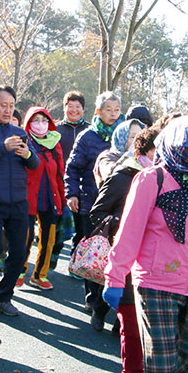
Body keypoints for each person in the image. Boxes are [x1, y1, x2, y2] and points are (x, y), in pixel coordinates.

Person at [103, 116, 188, 372]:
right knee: (161, 364)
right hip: (156, 283)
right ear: (176, 145)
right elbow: (129, 232)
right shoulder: (152, 179)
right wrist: (115, 277)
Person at [90, 127, 159, 373]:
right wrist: (130, 225)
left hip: (155, 268)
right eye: (156, 151)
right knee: (131, 334)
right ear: (146, 150)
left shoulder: (166, 181)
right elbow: (97, 213)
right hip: (125, 264)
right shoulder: (124, 175)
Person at [64, 91, 124, 327]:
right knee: (93, 249)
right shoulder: (88, 137)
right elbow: (73, 168)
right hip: (91, 203)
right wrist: (72, 193)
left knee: (113, 252)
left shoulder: (124, 136)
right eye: (108, 109)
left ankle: (104, 300)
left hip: (119, 205)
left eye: (117, 109)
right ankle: (92, 296)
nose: (113, 114)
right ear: (98, 112)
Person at [0, 85, 39, 317]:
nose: (7, 110)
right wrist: (1, 148)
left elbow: (35, 164)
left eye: (11, 106)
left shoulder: (21, 133)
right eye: (2, 105)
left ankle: (3, 297)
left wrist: (27, 154)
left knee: (19, 252)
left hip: (18, 202)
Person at [18, 106, 66, 291]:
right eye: (36, 120)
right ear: (28, 122)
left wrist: (62, 198)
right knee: (26, 236)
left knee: (49, 239)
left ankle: (40, 275)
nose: (40, 124)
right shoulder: (23, 140)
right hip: (27, 197)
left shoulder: (55, 144)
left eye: (44, 120)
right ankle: (19, 271)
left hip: (50, 197)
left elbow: (60, 173)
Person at [52, 91, 90, 267]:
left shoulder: (90, 131)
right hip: (58, 184)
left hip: (84, 187)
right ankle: (51, 257)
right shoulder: (55, 130)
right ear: (64, 107)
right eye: (70, 106)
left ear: (83, 109)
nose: (74, 110)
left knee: (81, 227)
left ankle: (75, 263)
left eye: (78, 107)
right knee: (57, 224)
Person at [93, 118, 145, 187]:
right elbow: (110, 174)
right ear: (121, 138)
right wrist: (127, 156)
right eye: (133, 137)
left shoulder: (143, 158)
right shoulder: (107, 156)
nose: (137, 141)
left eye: (140, 137)